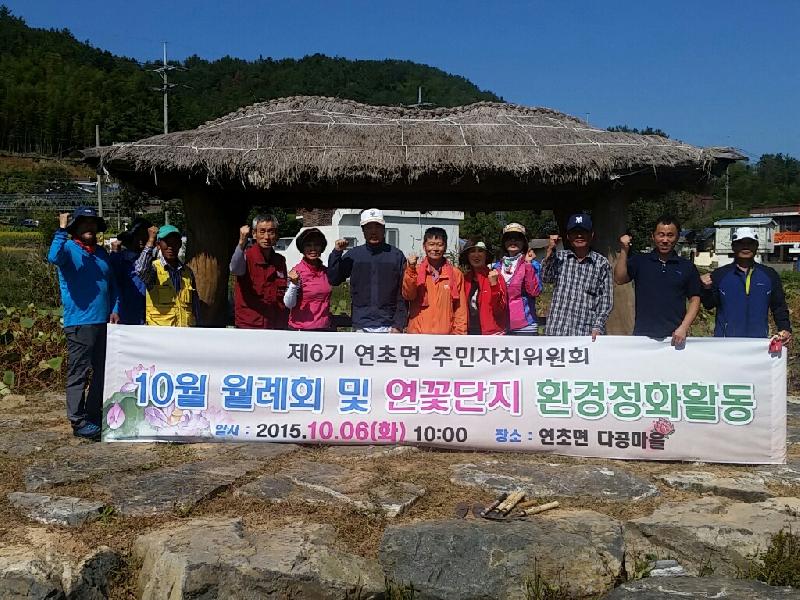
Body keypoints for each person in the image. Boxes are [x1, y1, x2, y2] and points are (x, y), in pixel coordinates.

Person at [48, 207, 119, 440]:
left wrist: (115, 309)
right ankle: (78, 422)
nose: (90, 227)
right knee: (79, 372)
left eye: (93, 223)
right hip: (79, 322)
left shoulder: (101, 253)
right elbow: (53, 257)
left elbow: (112, 285)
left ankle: (93, 414)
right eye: (84, 223)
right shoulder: (68, 248)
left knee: (102, 371)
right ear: (75, 228)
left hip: (103, 322)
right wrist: (61, 229)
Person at [613, 215, 701, 346]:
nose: (665, 240)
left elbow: (695, 299)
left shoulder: (687, 267)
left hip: (675, 337)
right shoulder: (640, 261)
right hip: (643, 337)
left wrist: (684, 327)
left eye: (670, 235)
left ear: (677, 237)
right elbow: (619, 279)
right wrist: (624, 250)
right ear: (653, 236)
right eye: (661, 235)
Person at [700, 227, 792, 343]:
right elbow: (708, 304)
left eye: (750, 243)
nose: (745, 247)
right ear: (733, 246)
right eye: (740, 243)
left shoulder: (769, 275)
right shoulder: (719, 275)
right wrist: (706, 288)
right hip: (725, 344)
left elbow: (779, 307)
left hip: (758, 344)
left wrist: (785, 328)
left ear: (756, 246)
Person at [327, 208, 407, 333]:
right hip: (361, 324)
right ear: (363, 230)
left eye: (377, 227)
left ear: (384, 228)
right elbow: (334, 279)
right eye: (369, 227)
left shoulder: (396, 256)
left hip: (390, 325)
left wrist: (398, 323)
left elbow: (403, 293)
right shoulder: (354, 255)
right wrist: (336, 253)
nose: (373, 231)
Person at [542, 213, 613, 340]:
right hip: (556, 331)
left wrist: (598, 327)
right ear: (568, 236)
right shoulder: (559, 257)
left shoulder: (602, 263)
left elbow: (605, 300)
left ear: (591, 235)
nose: (579, 236)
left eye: (583, 232)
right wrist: (550, 252)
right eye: (575, 232)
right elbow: (546, 278)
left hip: (585, 335)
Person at [403, 227, 467, 335]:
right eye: (431, 244)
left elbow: (460, 309)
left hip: (445, 337)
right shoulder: (414, 272)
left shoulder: (456, 274)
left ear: (445, 247)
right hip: (418, 335)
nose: (435, 248)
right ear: (424, 246)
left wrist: (459, 335)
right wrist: (410, 270)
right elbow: (408, 295)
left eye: (440, 244)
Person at [230, 214, 289, 329]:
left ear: (276, 235)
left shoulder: (280, 261)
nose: (266, 237)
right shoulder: (246, 257)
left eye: (271, 232)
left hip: (275, 324)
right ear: (254, 234)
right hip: (249, 325)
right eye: (262, 231)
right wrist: (241, 243)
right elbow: (234, 268)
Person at [136, 224, 199, 327]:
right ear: (158, 245)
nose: (170, 247)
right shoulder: (154, 270)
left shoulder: (187, 273)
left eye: (174, 242)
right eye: (167, 242)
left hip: (185, 332)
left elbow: (195, 307)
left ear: (180, 244)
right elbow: (140, 269)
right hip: (159, 333)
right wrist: (150, 241)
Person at [493, 223, 541, 335]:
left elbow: (534, 291)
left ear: (524, 242)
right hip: (502, 325)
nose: (513, 241)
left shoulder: (533, 264)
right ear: (504, 242)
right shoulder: (497, 266)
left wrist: (528, 265)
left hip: (526, 325)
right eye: (509, 238)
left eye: (517, 238)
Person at [284, 228, 333, 331]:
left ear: (322, 247)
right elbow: (289, 304)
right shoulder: (296, 272)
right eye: (308, 245)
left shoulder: (325, 271)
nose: (313, 248)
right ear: (302, 249)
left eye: (317, 245)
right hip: (301, 329)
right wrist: (294, 284)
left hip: (324, 328)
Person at [108, 217, 151, 325]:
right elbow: (112, 284)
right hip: (124, 315)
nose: (142, 238)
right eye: (138, 235)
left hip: (146, 315)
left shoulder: (152, 260)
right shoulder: (120, 258)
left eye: (146, 235)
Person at [462, 239, 508, 335]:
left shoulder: (496, 276)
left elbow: (500, 310)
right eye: (472, 251)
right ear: (467, 255)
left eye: (480, 251)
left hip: (492, 334)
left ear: (486, 255)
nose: (476, 255)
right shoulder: (464, 279)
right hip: (469, 333)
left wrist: (494, 286)